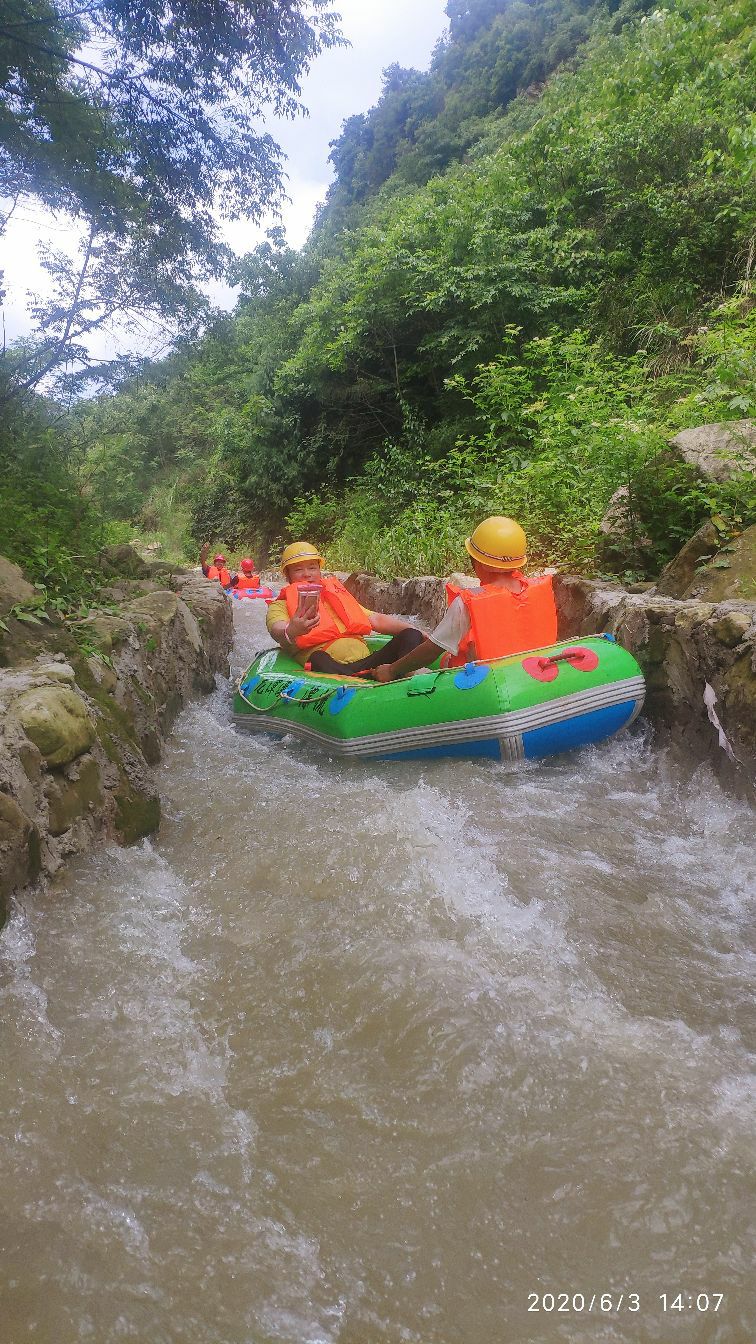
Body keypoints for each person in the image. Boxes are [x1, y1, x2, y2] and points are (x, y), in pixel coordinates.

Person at [371, 517, 557, 682]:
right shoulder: (536, 591)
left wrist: (391, 669)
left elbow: (430, 651)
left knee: (416, 671)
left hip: (488, 687)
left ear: (480, 563)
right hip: (535, 679)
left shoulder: (467, 603)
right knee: (447, 658)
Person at [266, 541, 424, 674]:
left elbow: (375, 619)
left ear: (319, 571)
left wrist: (421, 633)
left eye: (312, 567)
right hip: (330, 667)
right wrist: (292, 630)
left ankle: (395, 675)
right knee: (318, 658)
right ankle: (376, 678)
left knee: (411, 634)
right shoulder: (280, 605)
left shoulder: (336, 595)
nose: (307, 574)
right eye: (298, 569)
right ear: (288, 575)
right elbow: (277, 630)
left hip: (367, 663)